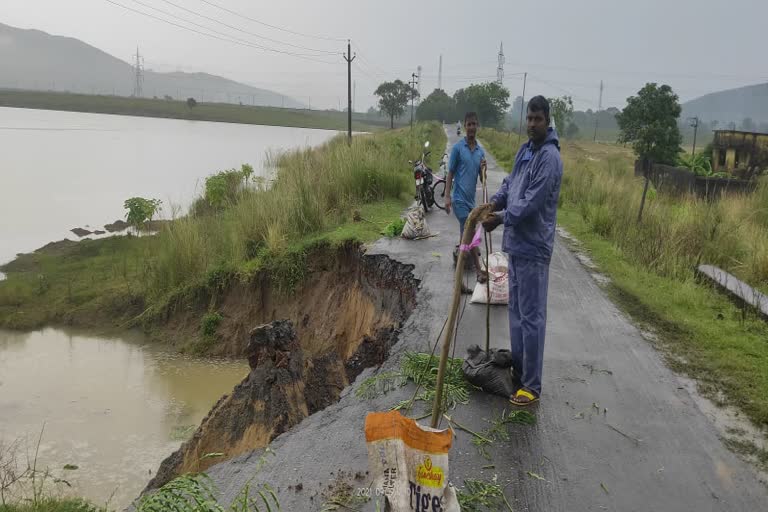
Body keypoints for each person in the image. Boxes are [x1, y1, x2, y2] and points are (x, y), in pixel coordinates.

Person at [482, 96, 563, 406]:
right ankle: (518, 370)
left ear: (547, 121)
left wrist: (501, 218)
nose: (531, 124)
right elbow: (511, 185)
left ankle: (531, 385)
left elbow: (531, 202)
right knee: (515, 313)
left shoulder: (549, 158)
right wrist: (493, 204)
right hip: (516, 246)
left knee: (531, 317)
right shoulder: (525, 150)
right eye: (529, 118)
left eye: (537, 119)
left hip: (534, 248)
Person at [446, 112, 488, 288]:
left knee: (465, 239)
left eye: (474, 124)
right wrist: (447, 196)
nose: (471, 127)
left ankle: (460, 280)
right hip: (459, 200)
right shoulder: (458, 148)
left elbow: (481, 177)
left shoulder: (480, 151)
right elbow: (450, 173)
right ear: (464, 126)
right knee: (469, 234)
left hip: (472, 203)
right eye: (468, 124)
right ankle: (478, 270)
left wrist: (484, 170)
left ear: (477, 126)